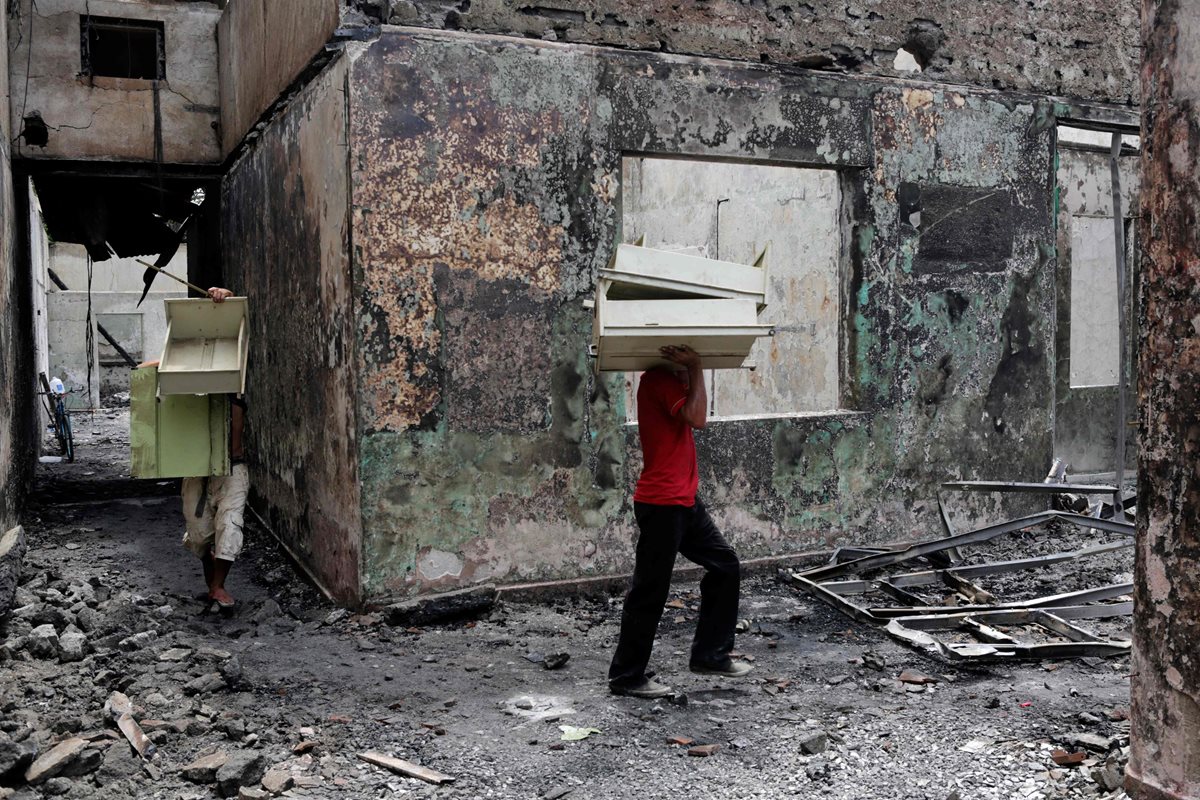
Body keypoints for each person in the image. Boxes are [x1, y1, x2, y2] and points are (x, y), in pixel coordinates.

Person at [608, 344, 752, 698]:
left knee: (725, 565)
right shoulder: (658, 381)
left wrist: (692, 370)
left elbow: (693, 410)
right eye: (685, 366)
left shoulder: (672, 381)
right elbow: (698, 417)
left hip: (683, 501)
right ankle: (626, 677)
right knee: (650, 590)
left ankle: (710, 655)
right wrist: (698, 365)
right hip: (662, 503)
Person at [179, 286, 248, 609]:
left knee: (229, 528)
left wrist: (225, 298)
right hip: (198, 466)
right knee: (199, 534)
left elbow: (238, 325)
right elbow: (160, 365)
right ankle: (213, 586)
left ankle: (218, 586)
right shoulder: (189, 383)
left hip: (233, 466)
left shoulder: (236, 374)